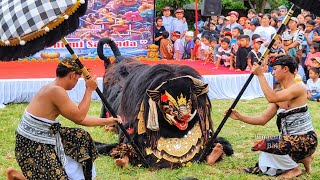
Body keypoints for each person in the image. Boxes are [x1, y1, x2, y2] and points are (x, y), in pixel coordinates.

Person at [6, 58, 122, 180]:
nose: (76, 82)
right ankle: (16, 175)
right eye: (77, 79)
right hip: (31, 143)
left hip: (45, 135)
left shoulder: (54, 87)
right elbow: (79, 117)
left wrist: (109, 121)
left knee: (81, 137)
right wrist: (89, 90)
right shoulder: (56, 91)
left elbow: (81, 119)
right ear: (72, 75)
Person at [229, 55, 318, 178]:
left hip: (306, 140)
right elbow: (262, 120)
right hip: (290, 141)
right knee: (264, 148)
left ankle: (294, 169)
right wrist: (240, 117)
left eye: (275, 69)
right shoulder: (279, 94)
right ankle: (304, 159)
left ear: (285, 69)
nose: (273, 73)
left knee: (267, 144)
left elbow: (271, 97)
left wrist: (260, 75)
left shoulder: (299, 87)